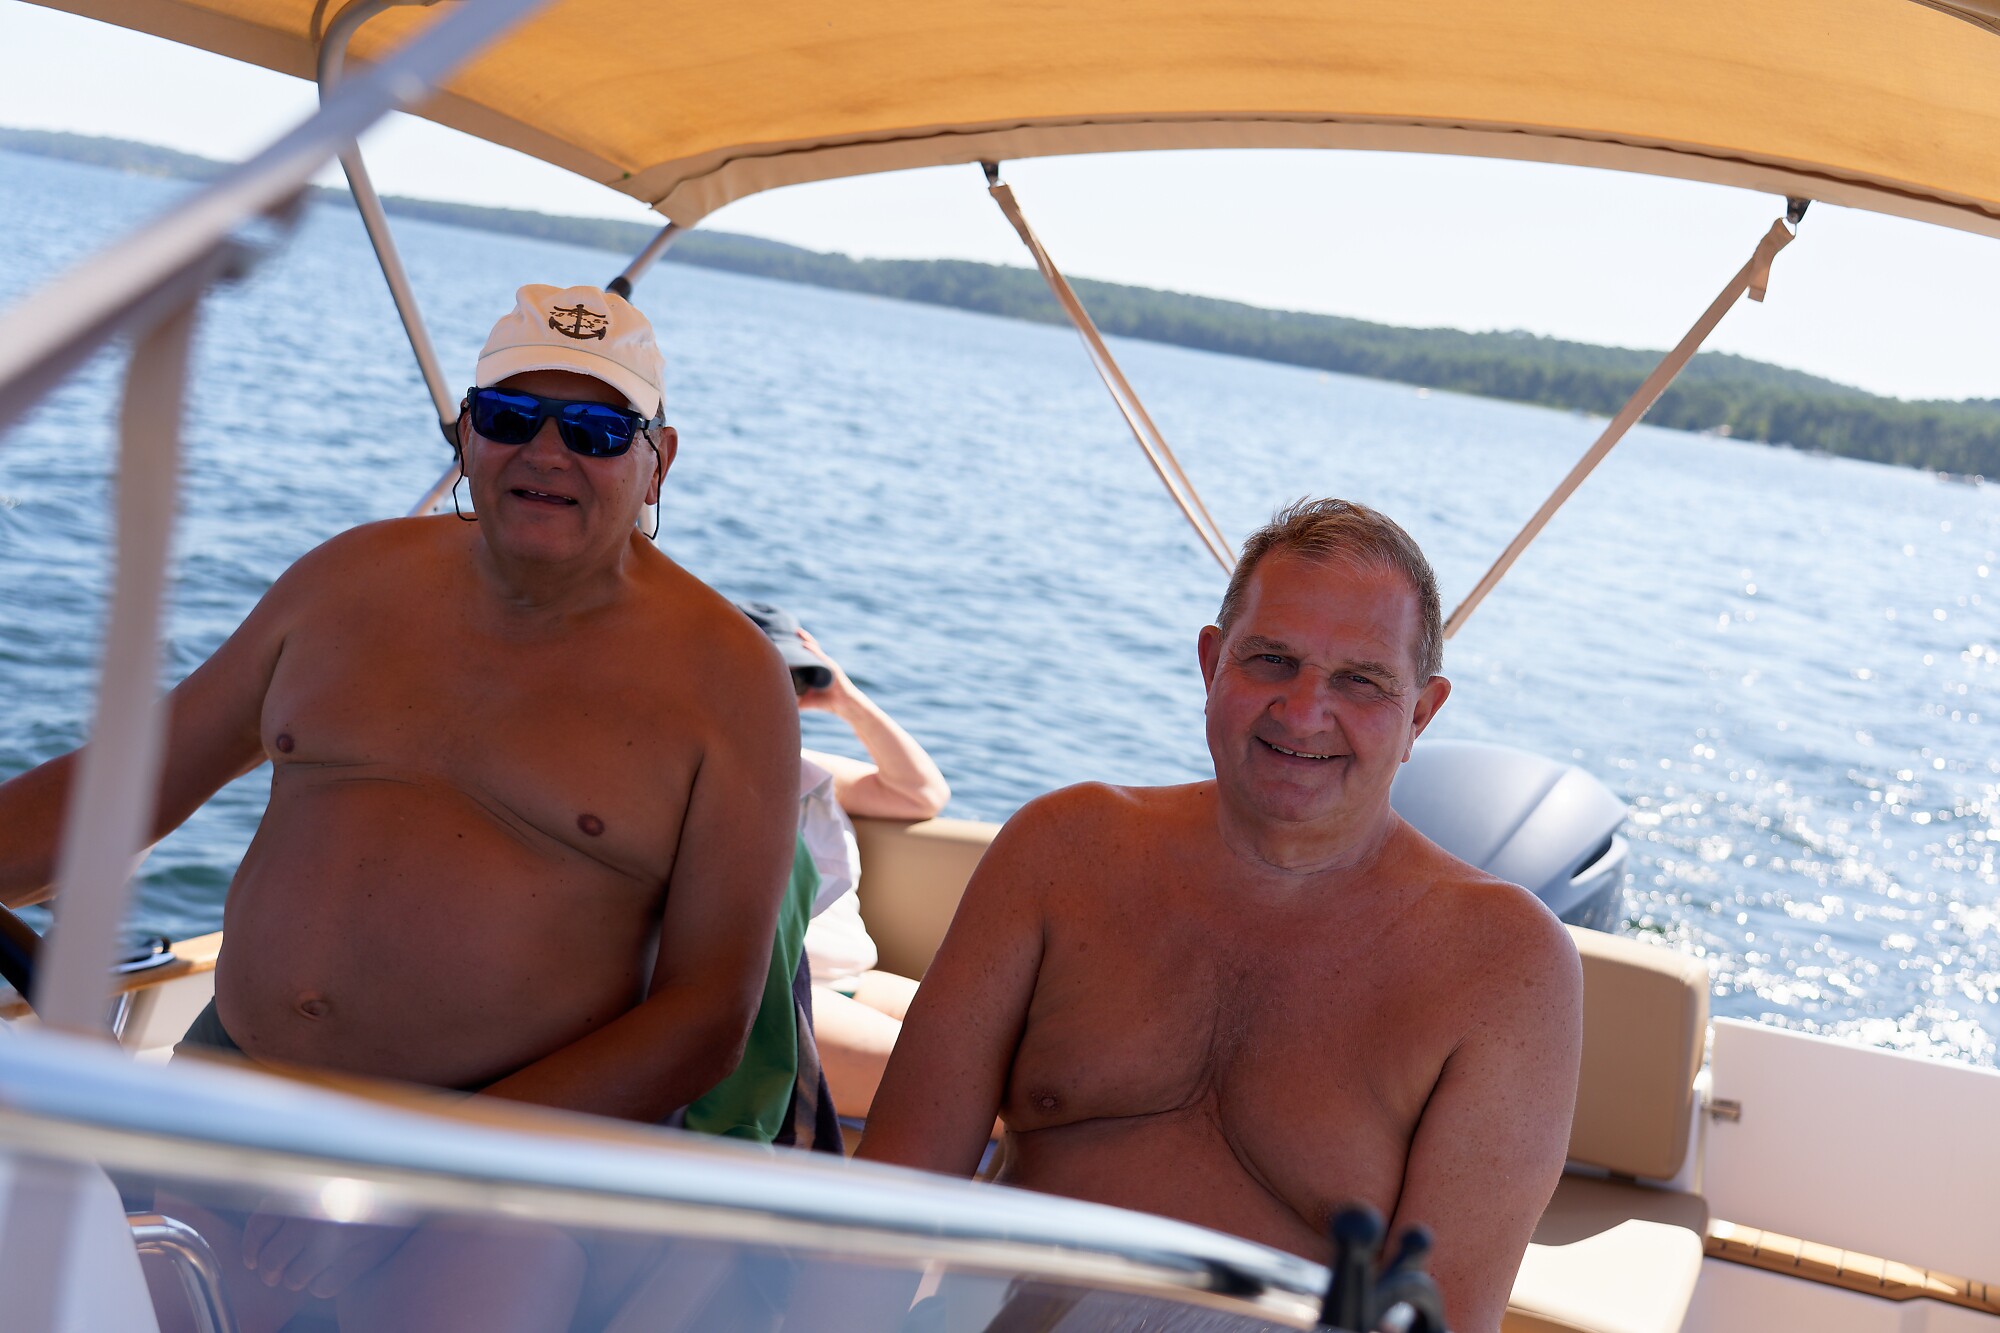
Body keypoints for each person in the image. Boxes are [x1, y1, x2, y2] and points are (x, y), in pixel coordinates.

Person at [0, 284, 802, 1332]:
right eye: (510, 417)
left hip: (490, 1176)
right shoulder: (343, 582)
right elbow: (122, 791)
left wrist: (409, 1174)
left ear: (659, 461)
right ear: (465, 433)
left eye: (598, 431)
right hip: (230, 1100)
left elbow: (706, 1018)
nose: (547, 453)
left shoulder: (730, 685)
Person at [859, 497, 1584, 1333]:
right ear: (1212, 665)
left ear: (1420, 712)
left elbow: (1439, 1318)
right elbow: (885, 1209)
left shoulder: (1501, 965)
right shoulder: (1061, 852)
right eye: (1272, 660)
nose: (1304, 711)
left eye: (1360, 680)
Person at [735, 601, 951, 1120]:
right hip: (783, 999)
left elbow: (920, 794)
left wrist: (846, 700)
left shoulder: (807, 769)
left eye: (792, 679)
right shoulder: (695, 772)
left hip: (855, 980)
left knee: (1032, 1057)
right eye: (762, 674)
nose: (780, 694)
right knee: (987, 1093)